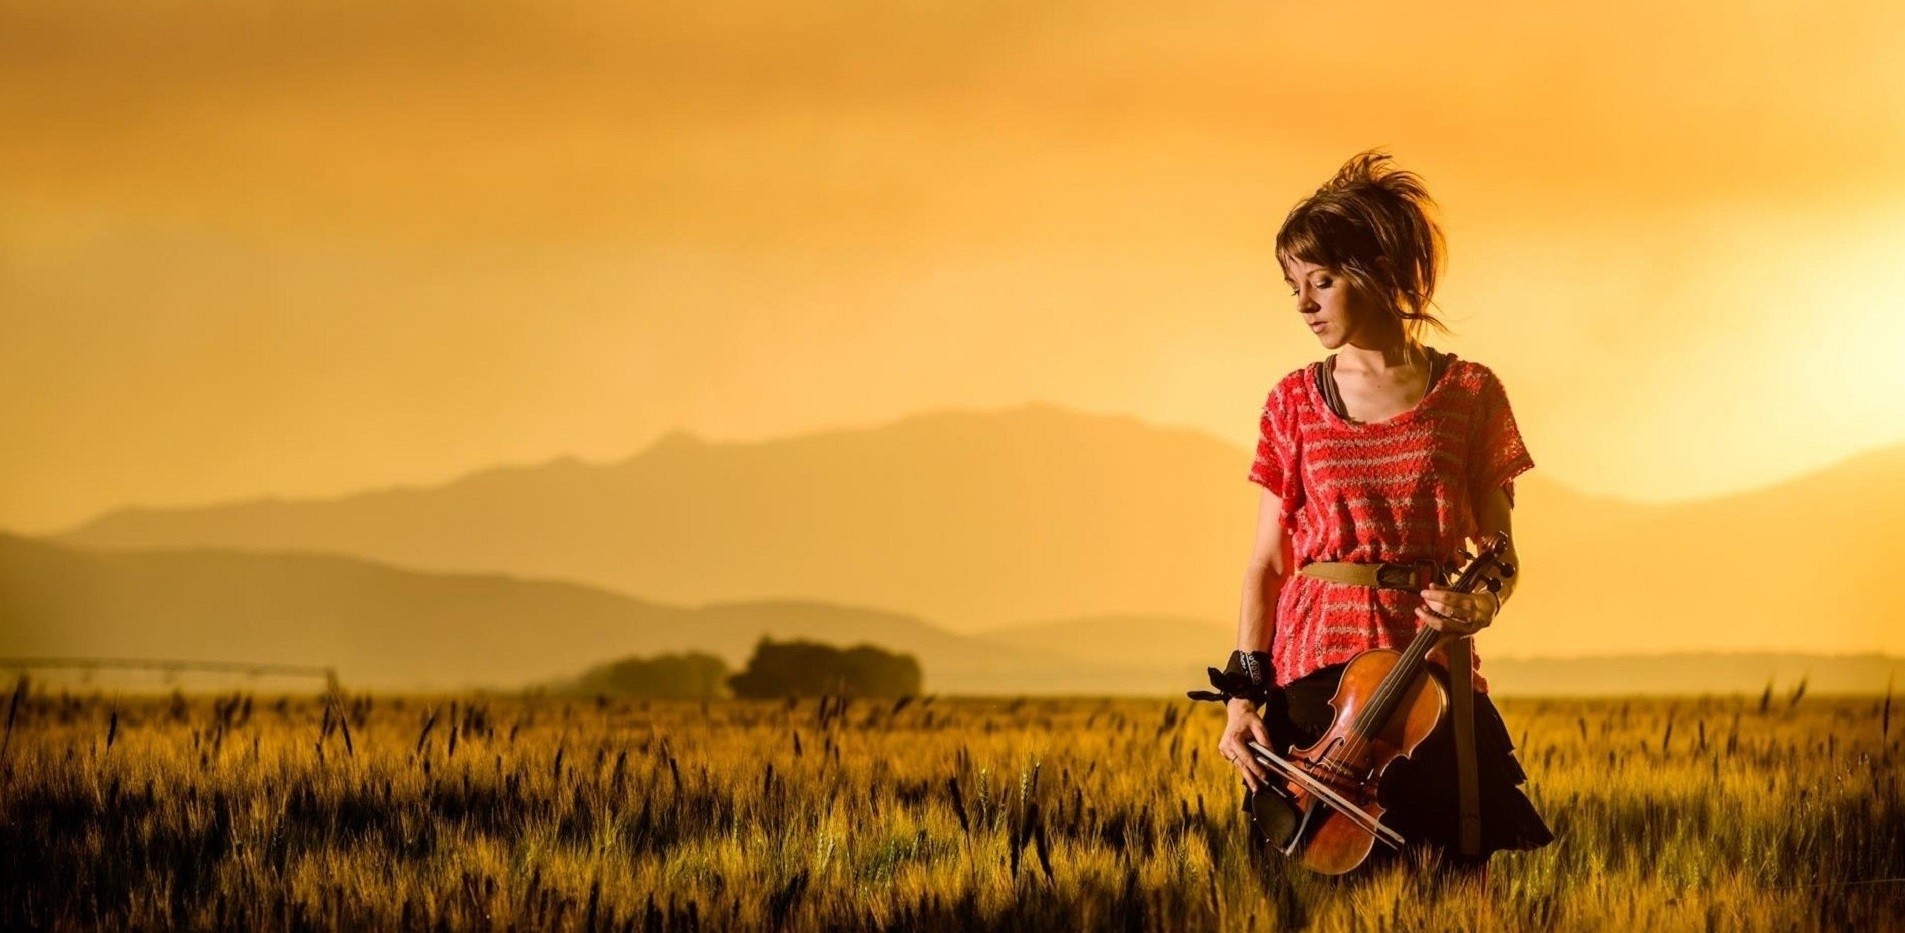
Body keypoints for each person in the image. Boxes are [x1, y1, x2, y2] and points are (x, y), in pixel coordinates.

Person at [1208, 149, 1554, 886]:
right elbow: (1267, 564)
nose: (1302, 302)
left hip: (1428, 689)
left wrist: (1481, 600)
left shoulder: (1470, 393)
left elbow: (1502, 553)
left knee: (1449, 892)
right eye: (1291, 285)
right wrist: (1241, 696)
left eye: (1321, 280)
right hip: (1312, 695)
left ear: (1378, 268)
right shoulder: (1290, 402)